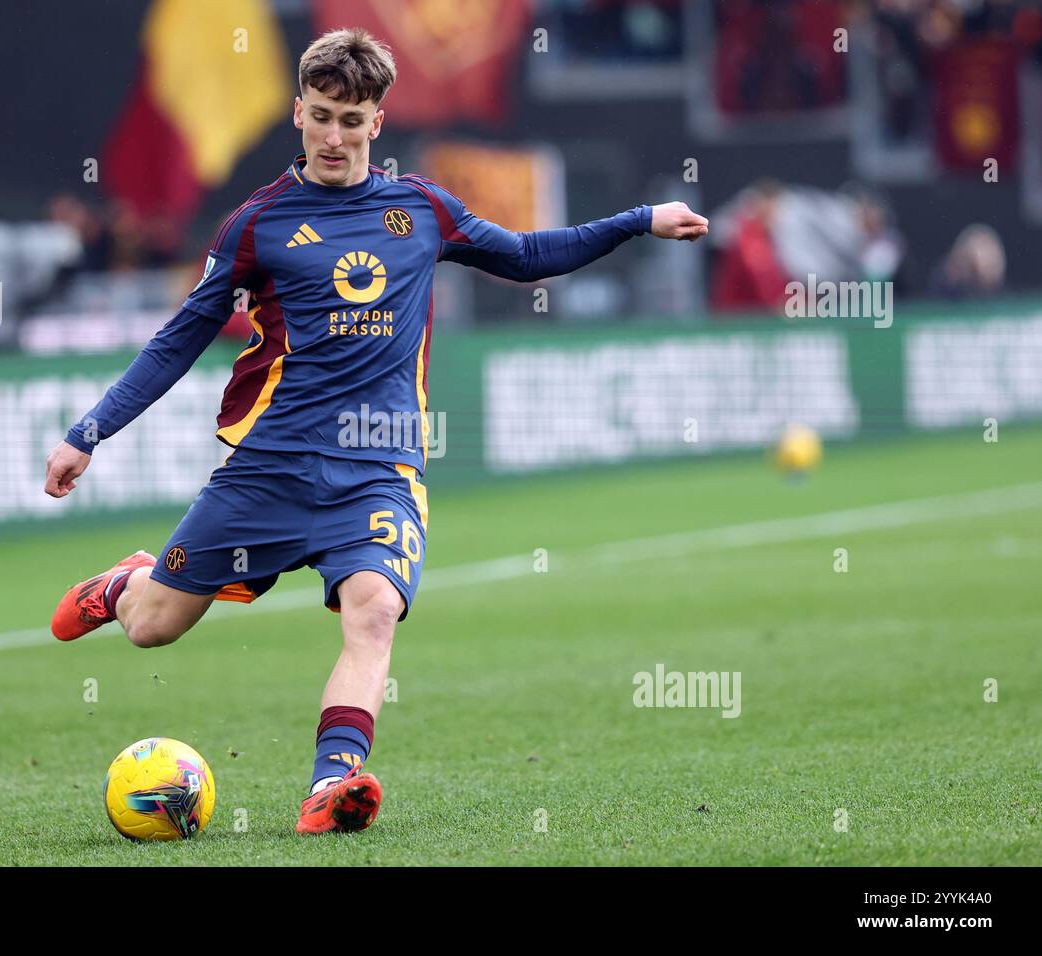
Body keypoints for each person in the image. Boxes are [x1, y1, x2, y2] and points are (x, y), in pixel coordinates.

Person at [44, 28, 707, 835]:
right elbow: (179, 338)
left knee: (372, 612)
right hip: (269, 467)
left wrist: (641, 219)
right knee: (153, 628)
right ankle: (125, 587)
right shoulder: (256, 225)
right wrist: (89, 431)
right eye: (320, 116)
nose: (333, 136)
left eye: (351, 121)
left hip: (378, 469)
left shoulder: (421, 210)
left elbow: (528, 255)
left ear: (376, 124)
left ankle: (333, 784)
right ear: (297, 111)